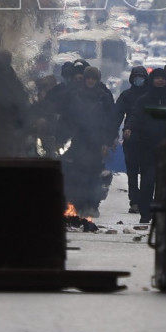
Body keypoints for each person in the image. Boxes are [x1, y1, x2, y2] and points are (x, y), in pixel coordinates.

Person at [123, 68, 166, 223]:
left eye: (163, 78)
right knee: (148, 180)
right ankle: (145, 213)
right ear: (152, 80)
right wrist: (128, 128)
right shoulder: (143, 100)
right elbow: (135, 116)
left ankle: (160, 213)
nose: (160, 80)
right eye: (157, 78)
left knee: (164, 182)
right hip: (147, 146)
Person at [57, 65, 116, 218]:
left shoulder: (104, 97)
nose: (90, 81)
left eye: (93, 78)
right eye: (88, 78)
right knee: (78, 173)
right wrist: (61, 137)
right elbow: (67, 118)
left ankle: (92, 204)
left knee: (94, 174)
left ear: (97, 80)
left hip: (97, 141)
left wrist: (107, 141)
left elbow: (110, 121)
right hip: (79, 140)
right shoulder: (76, 96)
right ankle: (79, 205)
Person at [112, 66, 149, 214]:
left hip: (148, 137)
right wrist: (113, 133)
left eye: (141, 77)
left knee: (147, 171)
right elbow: (117, 115)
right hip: (131, 137)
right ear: (132, 79)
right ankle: (134, 201)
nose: (139, 80)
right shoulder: (126, 96)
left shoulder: (151, 95)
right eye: (136, 77)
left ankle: (145, 200)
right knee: (132, 171)